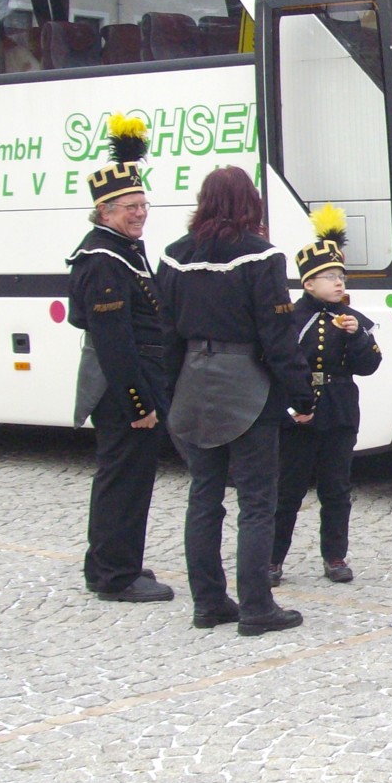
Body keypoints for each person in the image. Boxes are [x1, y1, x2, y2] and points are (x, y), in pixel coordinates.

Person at [160, 167, 315, 636]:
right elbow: (277, 334)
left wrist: (171, 394)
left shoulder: (173, 256)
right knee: (256, 500)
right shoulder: (260, 256)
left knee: (203, 498)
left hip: (192, 379)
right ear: (250, 203)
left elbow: (165, 334)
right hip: (245, 382)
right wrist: (300, 393)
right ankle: (256, 606)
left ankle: (208, 602)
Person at [66, 113, 174, 604]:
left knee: (125, 479)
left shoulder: (123, 250)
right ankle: (116, 575)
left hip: (139, 380)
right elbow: (114, 343)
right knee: (124, 482)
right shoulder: (103, 259)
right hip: (124, 389)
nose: (140, 213)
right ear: (104, 211)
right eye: (130, 206)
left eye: (143, 204)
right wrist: (139, 403)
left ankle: (111, 562)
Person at [270, 205, 383, 588]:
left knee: (337, 489)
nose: (338, 283)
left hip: (338, 410)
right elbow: (280, 363)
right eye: (329, 277)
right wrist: (290, 406)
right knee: (288, 490)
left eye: (340, 276)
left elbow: (369, 366)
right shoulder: (292, 318)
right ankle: (272, 559)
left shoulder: (352, 319)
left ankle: (334, 556)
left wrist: (358, 336)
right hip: (299, 414)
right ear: (308, 284)